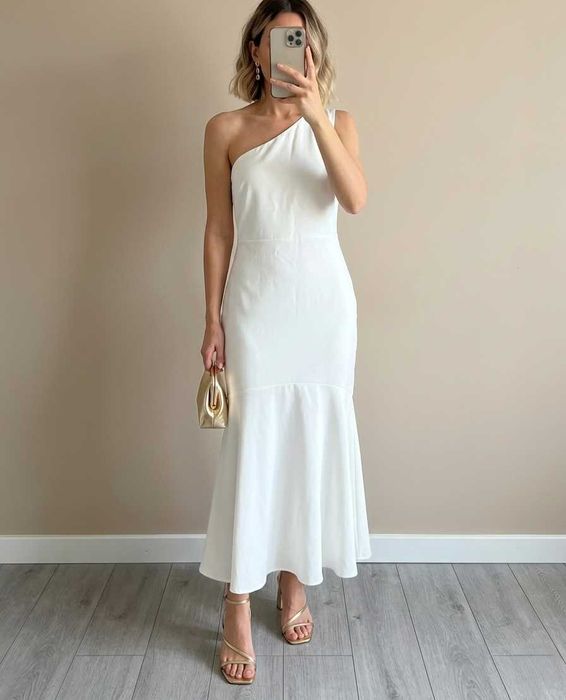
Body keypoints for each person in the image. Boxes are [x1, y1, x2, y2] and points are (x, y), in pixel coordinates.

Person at [198, 0, 371, 685]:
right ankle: (237, 599)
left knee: (309, 441)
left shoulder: (340, 121)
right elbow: (218, 230)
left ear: (312, 50)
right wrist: (211, 319)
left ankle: (294, 582)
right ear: (256, 51)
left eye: (298, 40)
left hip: (323, 308)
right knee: (253, 446)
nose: (287, 52)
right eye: (275, 41)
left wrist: (316, 115)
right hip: (256, 306)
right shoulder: (225, 129)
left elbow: (354, 199)